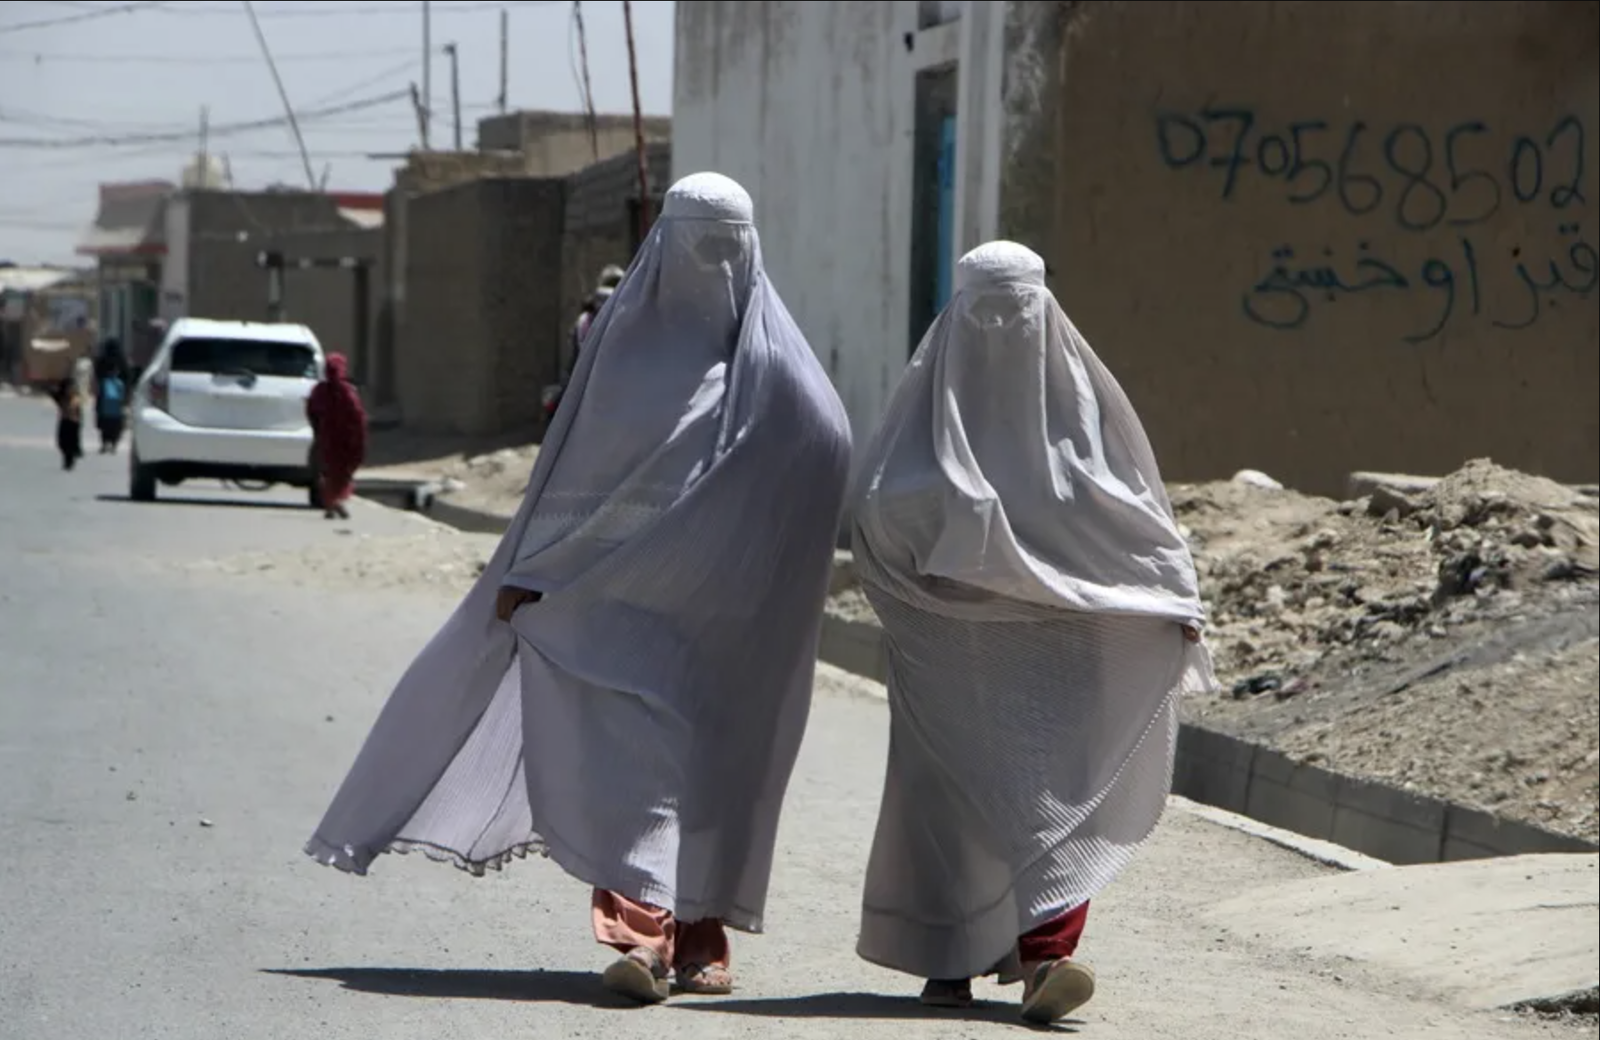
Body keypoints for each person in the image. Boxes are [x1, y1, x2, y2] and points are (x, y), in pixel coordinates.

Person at [304, 172, 851, 1004]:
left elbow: (821, 460)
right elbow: (573, 477)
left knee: (710, 775)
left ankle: (698, 937)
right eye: (698, 242)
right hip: (616, 610)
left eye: (724, 244)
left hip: (724, 624)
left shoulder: (779, 374)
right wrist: (534, 575)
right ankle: (642, 932)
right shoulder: (621, 358)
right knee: (637, 771)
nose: (711, 263)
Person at [849, 242, 1215, 1025]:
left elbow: (1135, 523)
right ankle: (949, 959)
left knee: (1049, 800)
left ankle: (1047, 957)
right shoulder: (924, 421)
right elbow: (875, 519)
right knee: (946, 806)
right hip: (948, 650)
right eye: (986, 307)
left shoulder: (1084, 418)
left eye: (1014, 308)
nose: (1002, 326)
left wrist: (1172, 598)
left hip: (1060, 652)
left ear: (1043, 310)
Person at [305, 353, 367, 520]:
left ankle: (332, 503)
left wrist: (318, 430)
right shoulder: (348, 392)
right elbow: (358, 416)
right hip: (342, 440)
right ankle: (335, 502)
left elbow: (311, 412)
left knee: (326, 471)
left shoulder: (319, 391)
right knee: (338, 471)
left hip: (328, 438)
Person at [52, 378, 84, 471]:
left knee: (71, 444)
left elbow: (78, 411)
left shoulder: (75, 397)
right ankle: (68, 460)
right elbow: (54, 395)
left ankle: (69, 462)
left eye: (72, 387)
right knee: (63, 443)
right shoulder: (62, 397)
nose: (70, 389)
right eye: (69, 387)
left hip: (73, 422)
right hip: (65, 421)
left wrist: (79, 421)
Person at [95, 366, 127, 455]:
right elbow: (122, 398)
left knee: (110, 430)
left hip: (111, 411)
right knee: (110, 430)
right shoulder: (112, 383)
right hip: (111, 410)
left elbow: (99, 397)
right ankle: (108, 446)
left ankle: (110, 446)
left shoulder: (113, 383)